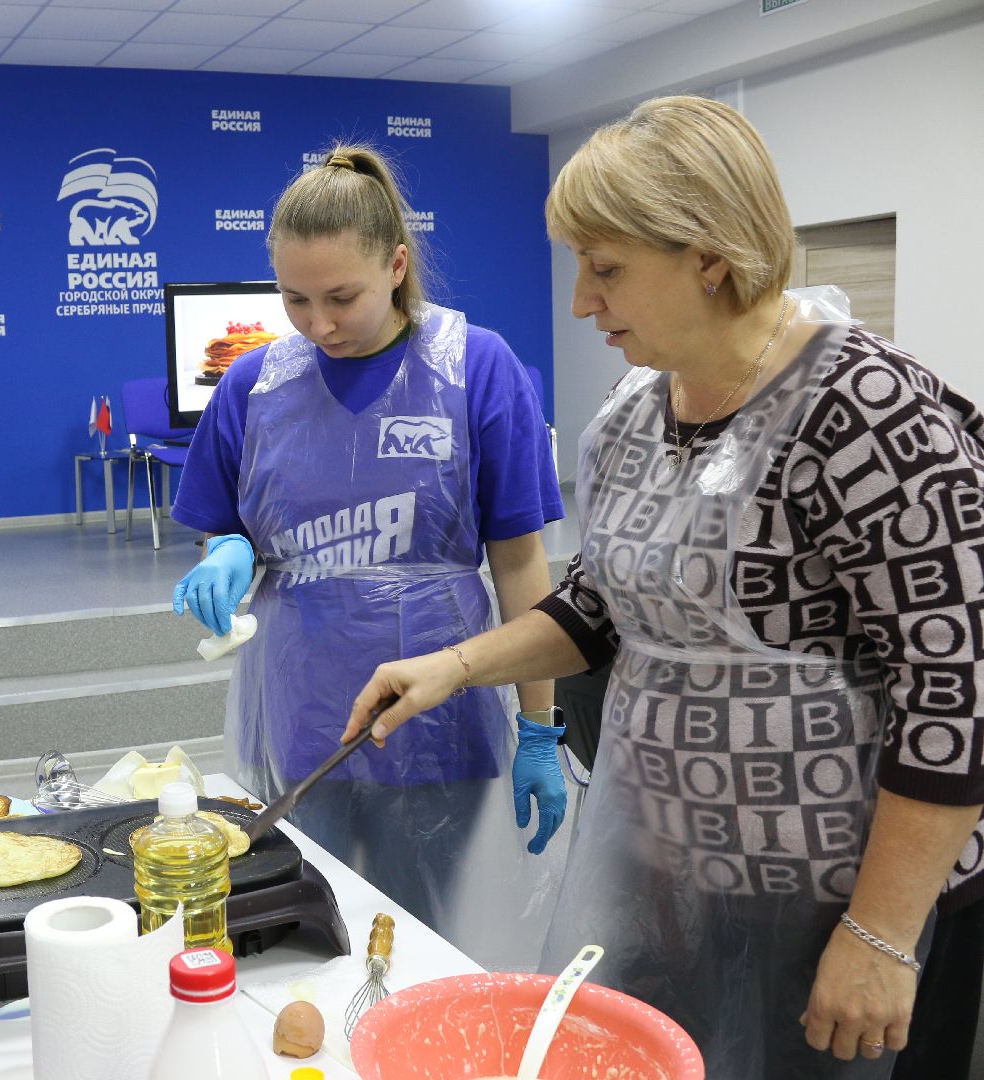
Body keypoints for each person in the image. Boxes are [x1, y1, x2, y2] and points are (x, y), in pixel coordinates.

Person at [346, 96, 984, 1078]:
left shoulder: (867, 412)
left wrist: (882, 936)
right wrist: (453, 666)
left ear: (710, 258)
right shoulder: (637, 409)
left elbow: (955, 686)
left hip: (838, 906)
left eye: (606, 270)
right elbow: (602, 605)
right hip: (669, 886)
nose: (581, 303)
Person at [170, 144, 568, 968]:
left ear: (395, 265)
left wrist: (539, 725)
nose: (319, 325)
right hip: (300, 714)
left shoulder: (475, 368)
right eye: (294, 299)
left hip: (440, 720)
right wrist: (228, 552)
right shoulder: (254, 386)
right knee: (304, 940)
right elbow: (227, 522)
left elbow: (520, 564)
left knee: (422, 945)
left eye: (342, 298)